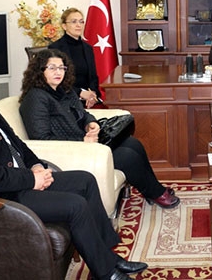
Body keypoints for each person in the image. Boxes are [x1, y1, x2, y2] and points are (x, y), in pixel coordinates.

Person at [0, 53, 147, 280]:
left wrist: (36, 165)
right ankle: (106, 273)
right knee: (75, 205)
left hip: (18, 180)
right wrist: (31, 179)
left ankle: (109, 257)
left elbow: (17, 143)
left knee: (85, 180)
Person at [19, 48, 180, 209]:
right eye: (52, 68)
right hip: (70, 152)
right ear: (39, 71)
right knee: (127, 156)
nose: (58, 72)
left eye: (62, 68)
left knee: (132, 143)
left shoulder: (65, 90)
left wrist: (91, 123)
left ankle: (153, 189)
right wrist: (82, 141)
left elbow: (84, 114)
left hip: (88, 144)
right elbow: (42, 138)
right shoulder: (35, 98)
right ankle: (156, 193)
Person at [49, 7, 100, 108]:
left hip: (88, 101)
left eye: (81, 22)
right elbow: (55, 80)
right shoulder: (55, 48)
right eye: (74, 22)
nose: (78, 25)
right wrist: (80, 93)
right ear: (64, 26)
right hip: (65, 100)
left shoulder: (88, 48)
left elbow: (93, 77)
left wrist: (92, 95)